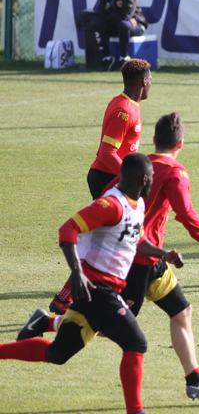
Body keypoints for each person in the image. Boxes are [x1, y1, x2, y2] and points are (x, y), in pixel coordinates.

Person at [29, 113, 199, 400]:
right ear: (181, 144)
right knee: (103, 327)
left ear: (153, 140)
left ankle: (194, 379)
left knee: (182, 311)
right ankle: (47, 323)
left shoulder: (139, 166)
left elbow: (105, 193)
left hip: (154, 260)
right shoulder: (175, 172)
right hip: (133, 265)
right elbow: (185, 211)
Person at [1, 154, 181, 414]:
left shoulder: (137, 206)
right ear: (144, 179)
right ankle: (136, 411)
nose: (153, 181)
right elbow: (68, 230)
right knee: (136, 343)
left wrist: (162, 254)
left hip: (104, 291)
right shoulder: (111, 205)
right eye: (152, 177)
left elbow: (137, 241)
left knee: (57, 354)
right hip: (97, 289)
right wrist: (76, 272)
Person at [50, 58, 152, 314]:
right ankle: (72, 296)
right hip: (107, 179)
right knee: (110, 240)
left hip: (114, 178)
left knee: (109, 238)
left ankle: (66, 297)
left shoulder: (129, 104)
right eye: (151, 80)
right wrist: (128, 179)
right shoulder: (123, 110)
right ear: (143, 81)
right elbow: (107, 152)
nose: (151, 85)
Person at [79, 0, 148, 71]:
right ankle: (107, 58)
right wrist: (113, 14)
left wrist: (110, 11)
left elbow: (125, 16)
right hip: (118, 25)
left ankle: (124, 58)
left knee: (124, 24)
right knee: (99, 24)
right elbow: (101, 14)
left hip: (136, 25)